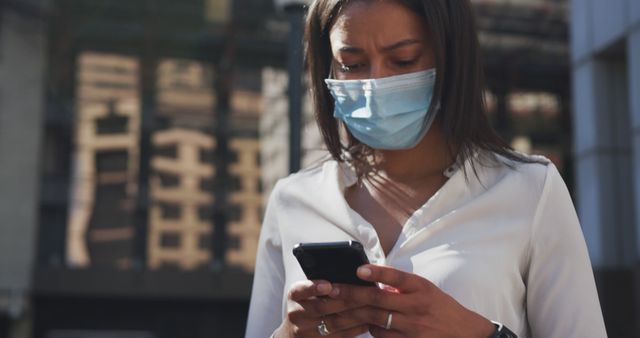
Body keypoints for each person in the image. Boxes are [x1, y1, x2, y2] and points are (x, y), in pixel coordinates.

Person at [246, 0, 607, 337]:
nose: (376, 84)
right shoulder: (293, 199)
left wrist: (478, 332)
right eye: (352, 64)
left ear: (450, 58)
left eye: (403, 60)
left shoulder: (530, 190)